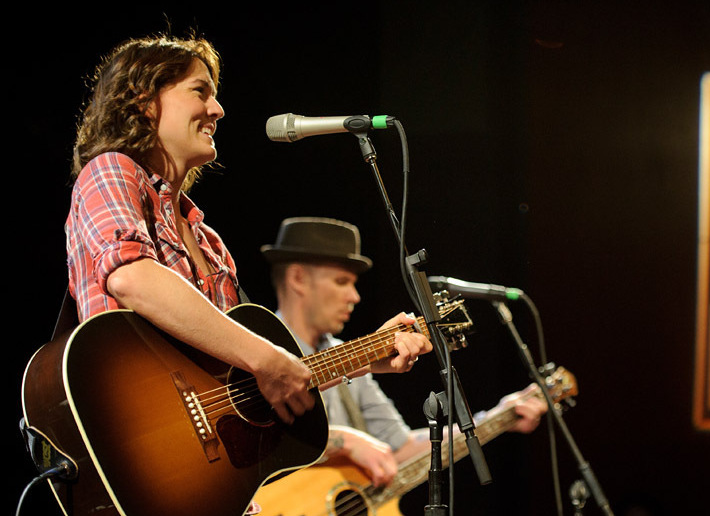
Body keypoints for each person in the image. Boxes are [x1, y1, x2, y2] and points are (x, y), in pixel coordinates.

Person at [65, 34, 432, 427]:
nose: (218, 109)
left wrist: (363, 358)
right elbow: (132, 278)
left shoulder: (209, 242)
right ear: (143, 100)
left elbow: (242, 383)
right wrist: (264, 357)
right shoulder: (111, 170)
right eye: (200, 91)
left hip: (206, 467)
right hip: (135, 430)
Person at [261, 216, 547, 489]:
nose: (355, 296)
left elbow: (400, 449)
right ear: (297, 278)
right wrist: (342, 441)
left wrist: (497, 418)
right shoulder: (254, 353)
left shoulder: (345, 355)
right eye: (341, 282)